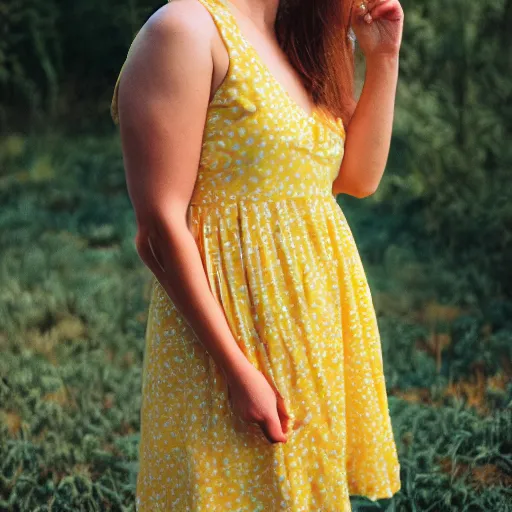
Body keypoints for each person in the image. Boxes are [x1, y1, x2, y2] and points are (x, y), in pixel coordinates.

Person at [110, 0, 404, 509]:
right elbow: (159, 223)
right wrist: (236, 369)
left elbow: (358, 178)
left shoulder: (305, 35)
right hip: (232, 332)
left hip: (316, 323)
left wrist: (383, 57)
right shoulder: (184, 30)